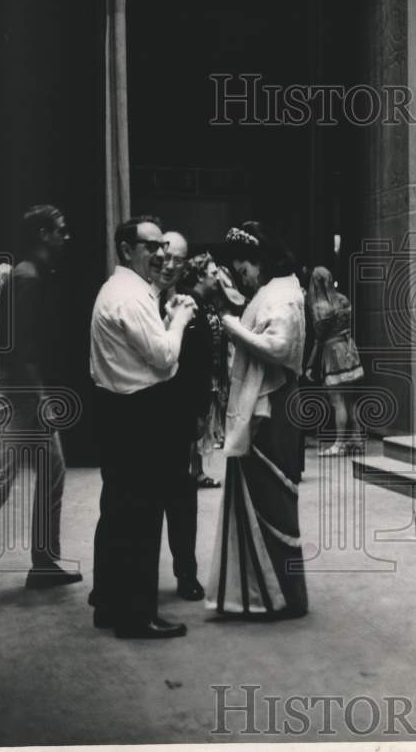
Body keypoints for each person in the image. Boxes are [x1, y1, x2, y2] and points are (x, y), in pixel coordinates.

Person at [0, 206, 80, 619]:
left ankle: (44, 563)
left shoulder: (31, 275)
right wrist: (41, 399)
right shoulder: (27, 277)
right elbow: (19, 346)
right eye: (61, 231)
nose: (67, 237)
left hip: (27, 390)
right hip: (19, 395)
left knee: (54, 471)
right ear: (44, 234)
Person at [89, 216, 196, 639]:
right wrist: (181, 318)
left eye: (162, 247)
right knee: (142, 518)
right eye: (150, 246)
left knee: (118, 513)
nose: (160, 254)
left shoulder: (118, 290)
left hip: (117, 410)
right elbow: (165, 358)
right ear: (126, 248)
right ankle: (137, 617)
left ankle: (111, 605)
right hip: (138, 413)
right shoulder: (131, 297)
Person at [206, 222, 308, 618]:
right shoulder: (270, 290)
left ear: (260, 261)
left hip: (274, 404)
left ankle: (282, 594)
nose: (240, 273)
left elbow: (279, 347)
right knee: (257, 492)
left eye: (243, 265)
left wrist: (230, 326)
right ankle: (258, 593)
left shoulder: (281, 293)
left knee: (272, 497)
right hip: (264, 401)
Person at [153, 230, 205, 601]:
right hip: (144, 412)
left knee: (183, 501)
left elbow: (200, 366)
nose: (171, 264)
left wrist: (200, 416)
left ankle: (186, 572)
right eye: (166, 255)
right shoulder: (141, 299)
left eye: (179, 260)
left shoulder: (192, 307)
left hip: (181, 416)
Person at [176, 252, 242, 488]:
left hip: (209, 374)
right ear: (200, 276)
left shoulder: (206, 303)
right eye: (213, 273)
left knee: (202, 426)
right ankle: (189, 473)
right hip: (193, 379)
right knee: (194, 427)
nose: (217, 278)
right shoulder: (189, 303)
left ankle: (196, 471)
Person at [304, 265, 364, 456]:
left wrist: (311, 364)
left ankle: (339, 443)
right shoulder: (343, 300)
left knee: (337, 400)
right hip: (348, 349)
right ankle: (356, 439)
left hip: (332, 353)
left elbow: (319, 338)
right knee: (351, 399)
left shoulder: (320, 307)